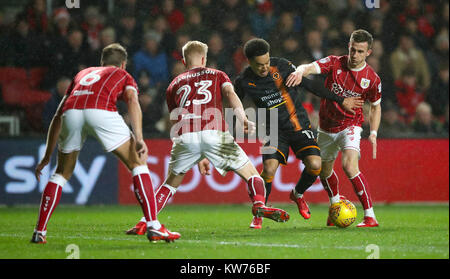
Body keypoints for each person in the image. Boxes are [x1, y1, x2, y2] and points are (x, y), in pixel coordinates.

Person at [126, 40, 289, 235]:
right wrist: (242, 117)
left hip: (185, 136)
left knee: (169, 184)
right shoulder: (218, 74)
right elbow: (230, 93)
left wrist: (198, 153)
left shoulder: (173, 84)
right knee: (253, 176)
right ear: (204, 58)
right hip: (214, 132)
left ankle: (145, 222)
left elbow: (175, 118)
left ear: (185, 61)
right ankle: (259, 204)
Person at [31, 43, 180, 244]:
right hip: (101, 110)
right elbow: (133, 101)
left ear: (101, 62)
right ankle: (153, 225)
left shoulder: (82, 74)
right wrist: (139, 138)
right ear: (123, 64)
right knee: (137, 163)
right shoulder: (124, 75)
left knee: (61, 173)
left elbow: (58, 115)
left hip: (71, 112)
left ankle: (40, 231)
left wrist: (47, 155)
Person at [216, 38, 362, 229]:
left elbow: (309, 85)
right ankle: (260, 212)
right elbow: (231, 101)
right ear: (249, 62)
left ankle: (298, 194)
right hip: (273, 130)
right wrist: (236, 121)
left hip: (299, 125)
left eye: (267, 62)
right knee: (268, 168)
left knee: (315, 165)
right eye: (259, 65)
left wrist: (340, 99)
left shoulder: (283, 67)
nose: (265, 68)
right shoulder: (244, 80)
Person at [287, 29, 382, 227]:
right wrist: (299, 71)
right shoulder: (334, 62)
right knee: (324, 170)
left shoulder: (371, 79)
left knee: (349, 166)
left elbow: (375, 106)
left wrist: (373, 132)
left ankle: (370, 215)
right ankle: (335, 207)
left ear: (368, 53)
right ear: (349, 46)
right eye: (352, 50)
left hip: (351, 125)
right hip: (326, 126)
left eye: (360, 52)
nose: (354, 55)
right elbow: (310, 67)